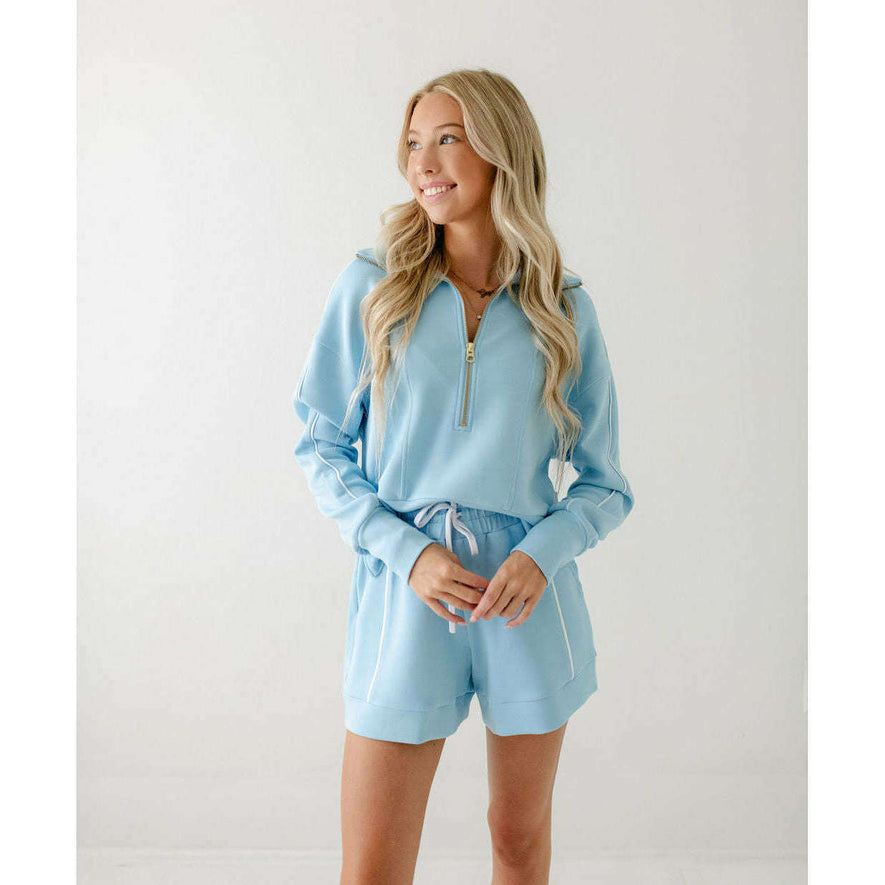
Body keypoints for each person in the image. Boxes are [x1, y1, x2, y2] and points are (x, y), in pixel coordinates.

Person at [292, 68, 635, 885]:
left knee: (517, 841)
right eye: (414, 142)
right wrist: (405, 552)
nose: (423, 161)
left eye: (447, 139)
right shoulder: (372, 284)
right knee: (373, 867)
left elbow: (604, 483)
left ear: (500, 152)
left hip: (526, 601)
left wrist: (540, 554)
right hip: (405, 596)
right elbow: (320, 445)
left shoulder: (562, 306)